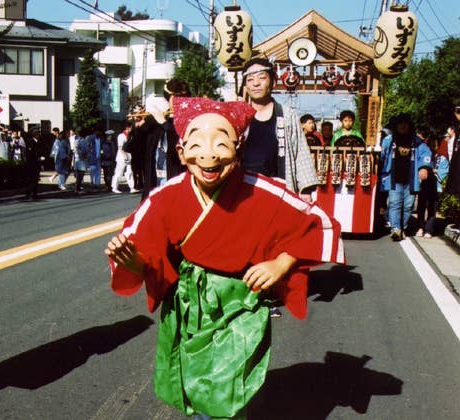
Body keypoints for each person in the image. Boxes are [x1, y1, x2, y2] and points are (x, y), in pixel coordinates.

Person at [105, 97, 344, 418]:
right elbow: (140, 252)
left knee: (227, 392)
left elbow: (320, 225)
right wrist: (133, 262)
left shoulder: (263, 189)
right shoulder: (166, 197)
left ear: (239, 149)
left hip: (240, 305)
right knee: (197, 386)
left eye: (221, 143)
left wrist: (281, 263)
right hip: (189, 306)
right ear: (181, 151)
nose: (208, 156)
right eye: (197, 145)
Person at [240, 58, 319, 203]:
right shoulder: (238, 115)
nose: (256, 83)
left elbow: (299, 152)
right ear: (245, 85)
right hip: (243, 190)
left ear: (273, 82)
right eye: (250, 79)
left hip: (279, 189)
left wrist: (305, 190)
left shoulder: (287, 114)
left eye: (262, 78)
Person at [380, 113, 432, 241]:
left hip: (411, 179)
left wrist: (424, 167)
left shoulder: (417, 142)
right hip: (394, 178)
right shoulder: (388, 140)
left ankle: (403, 227)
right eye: (400, 124)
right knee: (394, 203)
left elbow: (426, 154)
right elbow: (381, 156)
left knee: (408, 205)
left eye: (405, 123)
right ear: (396, 126)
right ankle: (396, 228)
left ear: (409, 126)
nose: (403, 126)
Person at [138, 79, 189, 199]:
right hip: (155, 179)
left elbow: (176, 148)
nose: (174, 100)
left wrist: (164, 123)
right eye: (172, 97)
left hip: (176, 175)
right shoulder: (156, 120)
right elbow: (134, 147)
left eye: (178, 97)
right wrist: (138, 127)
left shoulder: (187, 120)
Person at [112, 121, 138, 194]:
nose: (131, 128)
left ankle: (132, 187)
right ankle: (114, 187)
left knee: (129, 172)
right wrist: (125, 156)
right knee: (119, 172)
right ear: (127, 127)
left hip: (129, 155)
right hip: (122, 156)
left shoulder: (131, 136)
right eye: (131, 127)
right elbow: (120, 147)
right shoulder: (121, 136)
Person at [73, 128, 89, 193]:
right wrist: (83, 155)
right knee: (80, 175)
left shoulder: (77, 140)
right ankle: (77, 188)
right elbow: (83, 150)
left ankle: (77, 187)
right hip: (81, 159)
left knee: (78, 174)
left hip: (78, 159)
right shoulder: (82, 141)